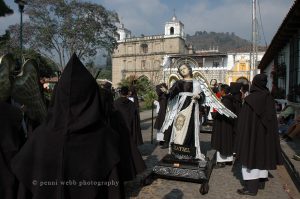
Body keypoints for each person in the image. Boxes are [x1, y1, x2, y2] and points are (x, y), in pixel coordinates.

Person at [11, 53, 124, 199]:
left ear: (58, 95)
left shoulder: (38, 139)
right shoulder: (107, 139)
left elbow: (24, 187)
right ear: (92, 96)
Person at [235, 73, 283, 196]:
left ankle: (251, 188)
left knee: (251, 156)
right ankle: (261, 182)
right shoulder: (269, 97)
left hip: (252, 135)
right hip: (265, 135)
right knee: (262, 155)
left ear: (254, 83)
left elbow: (244, 121)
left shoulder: (251, 99)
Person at [159, 63, 206, 159]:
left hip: (191, 107)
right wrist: (167, 92)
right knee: (178, 126)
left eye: (184, 68)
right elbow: (172, 92)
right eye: (181, 70)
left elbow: (203, 96)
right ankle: (177, 148)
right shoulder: (179, 83)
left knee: (189, 127)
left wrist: (198, 96)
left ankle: (188, 150)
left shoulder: (196, 83)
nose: (183, 70)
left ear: (189, 69)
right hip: (180, 107)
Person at [211, 84, 235, 168]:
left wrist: (214, 114)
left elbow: (221, 113)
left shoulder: (225, 101)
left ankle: (222, 161)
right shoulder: (229, 100)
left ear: (223, 91)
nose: (219, 91)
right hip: (227, 125)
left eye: (220, 90)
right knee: (228, 141)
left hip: (223, 125)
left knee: (222, 142)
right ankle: (229, 159)